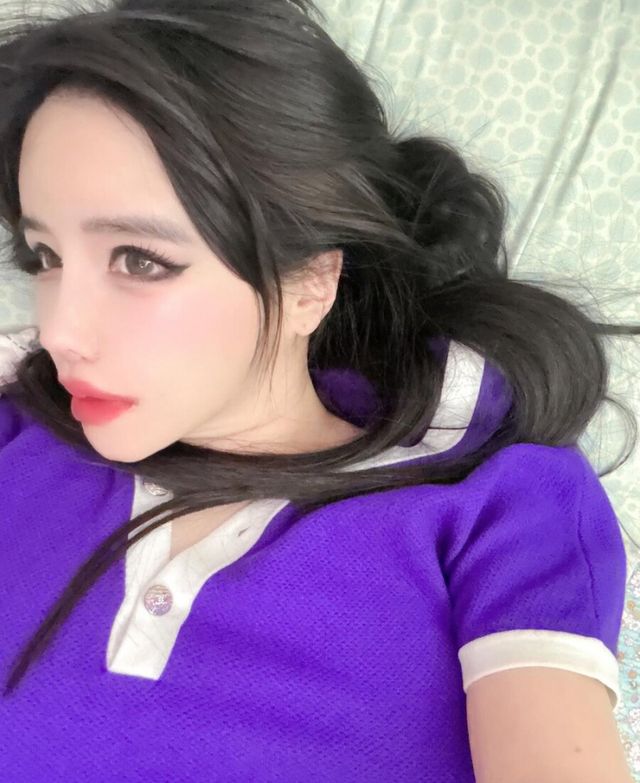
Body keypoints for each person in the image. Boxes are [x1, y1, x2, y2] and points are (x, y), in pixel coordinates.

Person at [0, 1, 637, 781]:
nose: (61, 330)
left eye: (140, 260)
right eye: (44, 257)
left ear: (310, 281)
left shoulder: (498, 503)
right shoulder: (19, 436)